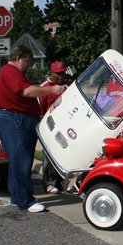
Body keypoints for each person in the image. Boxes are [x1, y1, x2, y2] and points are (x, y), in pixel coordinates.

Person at [0, 45, 65, 212]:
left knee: (17, 161)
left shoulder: (7, 72)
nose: (29, 64)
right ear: (19, 59)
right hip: (14, 119)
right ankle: (26, 201)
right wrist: (51, 89)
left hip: (10, 118)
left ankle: (17, 196)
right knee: (22, 161)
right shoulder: (12, 72)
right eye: (27, 61)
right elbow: (25, 91)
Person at [39, 61, 68, 195]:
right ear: (51, 73)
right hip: (49, 127)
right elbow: (39, 109)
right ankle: (49, 183)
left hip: (65, 125)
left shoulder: (68, 87)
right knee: (50, 157)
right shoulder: (44, 88)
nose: (61, 76)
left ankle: (62, 182)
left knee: (64, 155)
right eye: (58, 73)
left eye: (62, 73)